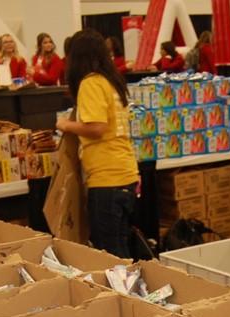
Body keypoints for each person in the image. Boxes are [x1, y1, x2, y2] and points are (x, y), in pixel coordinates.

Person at [56, 29, 139, 258]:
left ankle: (120, 294)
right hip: (125, 173)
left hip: (107, 179)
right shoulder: (111, 82)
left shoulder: (91, 83)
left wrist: (65, 125)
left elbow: (97, 127)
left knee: (110, 255)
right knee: (121, 248)